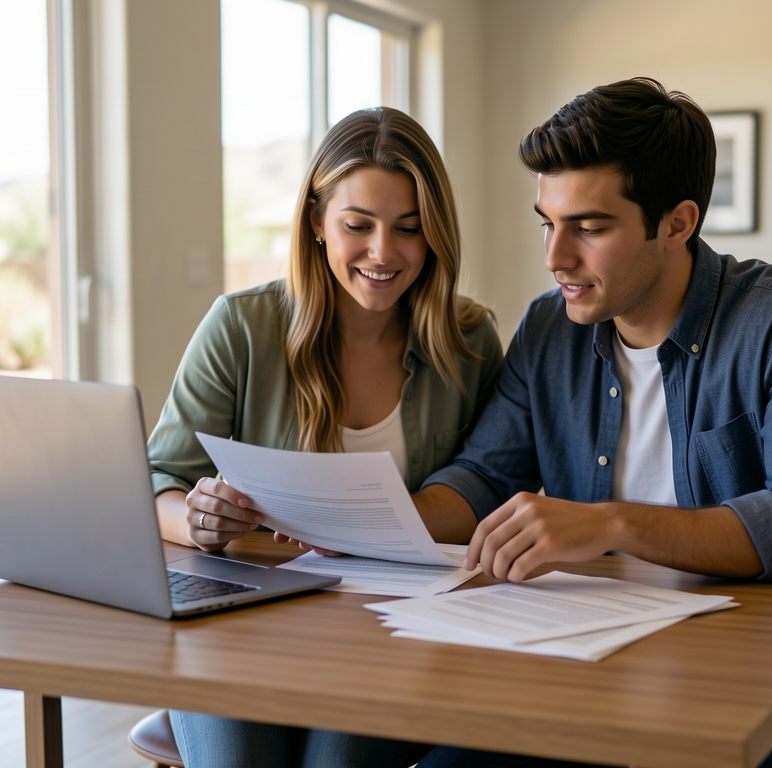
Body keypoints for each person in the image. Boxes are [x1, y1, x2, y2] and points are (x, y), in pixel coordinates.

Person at [409, 77, 772, 768]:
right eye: (548, 222)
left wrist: (611, 522)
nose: (554, 258)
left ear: (677, 222)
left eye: (590, 228)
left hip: (763, 682)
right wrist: (367, 523)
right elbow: (485, 473)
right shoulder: (550, 327)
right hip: (580, 663)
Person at [146, 107, 504, 768]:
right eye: (357, 225)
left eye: (409, 229)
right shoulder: (240, 328)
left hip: (398, 626)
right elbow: (155, 480)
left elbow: (490, 483)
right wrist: (197, 520)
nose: (382, 253)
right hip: (244, 622)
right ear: (316, 222)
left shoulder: (469, 341)